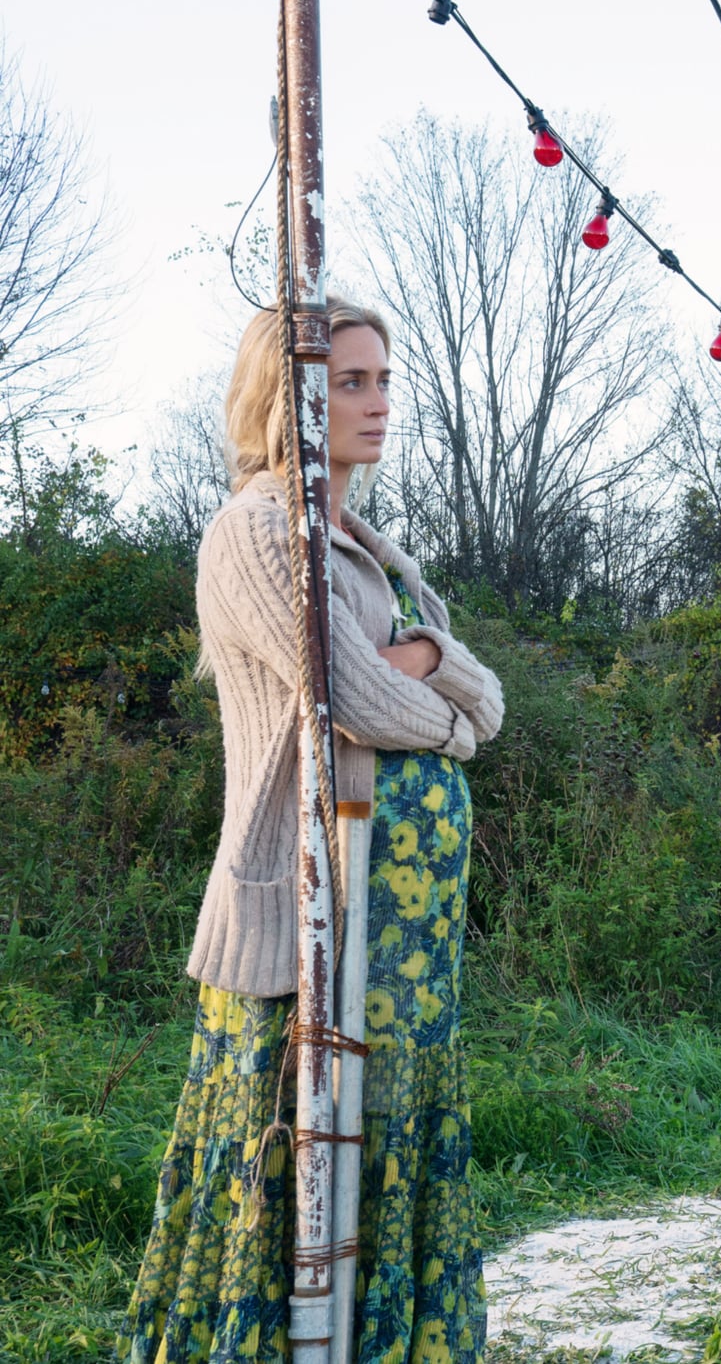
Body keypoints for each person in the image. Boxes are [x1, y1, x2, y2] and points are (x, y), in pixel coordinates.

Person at [122, 299, 504, 1364]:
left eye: (382, 379)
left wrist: (430, 667)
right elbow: (360, 707)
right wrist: (435, 685)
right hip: (307, 912)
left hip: (399, 932)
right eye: (349, 382)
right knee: (292, 1152)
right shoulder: (253, 530)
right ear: (284, 393)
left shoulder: (366, 545)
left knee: (381, 1140)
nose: (377, 402)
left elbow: (489, 704)